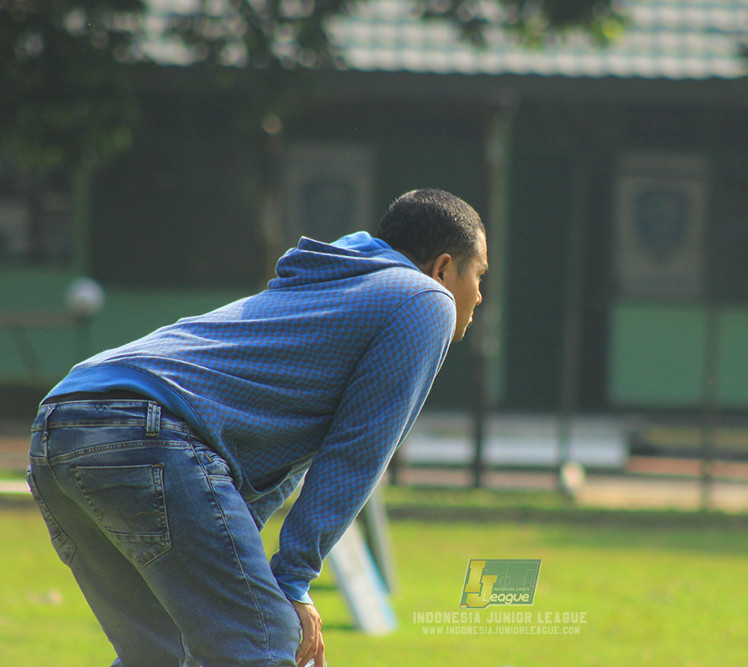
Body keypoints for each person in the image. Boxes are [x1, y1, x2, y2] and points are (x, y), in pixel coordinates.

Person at [26, 189, 488, 667]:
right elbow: (354, 454)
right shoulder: (425, 299)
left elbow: (266, 466)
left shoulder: (336, 280)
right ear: (443, 268)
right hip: (150, 427)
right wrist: (291, 581)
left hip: (63, 422)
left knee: (165, 655)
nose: (478, 295)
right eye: (478, 275)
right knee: (264, 645)